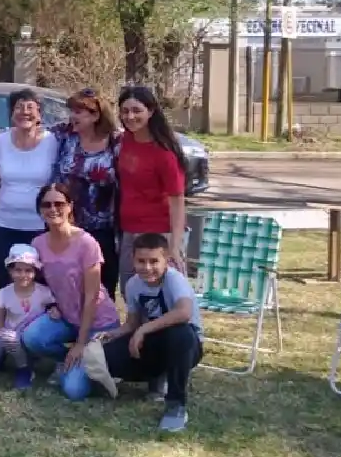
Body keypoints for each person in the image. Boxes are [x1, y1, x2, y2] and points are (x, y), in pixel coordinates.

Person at [95, 232, 204, 433]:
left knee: (179, 334)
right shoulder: (133, 284)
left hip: (186, 345)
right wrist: (114, 334)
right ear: (132, 260)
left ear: (167, 260)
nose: (147, 267)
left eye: (154, 261)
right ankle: (155, 377)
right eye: (141, 261)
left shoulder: (174, 279)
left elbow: (184, 313)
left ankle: (176, 406)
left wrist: (143, 330)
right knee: (107, 354)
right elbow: (132, 323)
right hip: (153, 341)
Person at [20, 182, 121, 400]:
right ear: (40, 210)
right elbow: (39, 283)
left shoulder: (87, 243)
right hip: (67, 317)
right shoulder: (37, 243)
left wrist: (81, 342)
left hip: (98, 322)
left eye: (59, 203)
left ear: (70, 207)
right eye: (46, 204)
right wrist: (51, 305)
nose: (53, 209)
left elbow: (92, 297)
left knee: (74, 391)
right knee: (32, 337)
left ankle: (96, 363)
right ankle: (70, 359)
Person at [115, 86, 186, 298]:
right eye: (125, 110)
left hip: (158, 233)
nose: (130, 116)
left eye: (137, 110)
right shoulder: (125, 141)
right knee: (131, 292)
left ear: (151, 111)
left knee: (159, 297)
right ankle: (136, 331)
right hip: (129, 231)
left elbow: (177, 200)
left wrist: (174, 245)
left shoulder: (164, 153)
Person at [51, 87, 121, 298]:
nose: (73, 116)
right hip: (69, 227)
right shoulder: (65, 136)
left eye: (79, 112)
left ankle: (101, 328)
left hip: (103, 229)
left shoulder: (116, 142)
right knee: (69, 286)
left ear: (96, 115)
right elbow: (31, 131)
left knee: (102, 289)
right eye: (71, 111)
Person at [0, 89, 58, 291]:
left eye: (30, 107)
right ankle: (7, 322)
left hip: (40, 226)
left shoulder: (52, 142)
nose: (24, 112)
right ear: (11, 113)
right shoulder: (1, 141)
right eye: (18, 107)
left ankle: (36, 323)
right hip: (5, 223)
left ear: (39, 114)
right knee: (2, 280)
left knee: (40, 282)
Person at [0, 244, 54, 389]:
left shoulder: (44, 292)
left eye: (28, 270)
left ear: (35, 272)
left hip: (28, 339)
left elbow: (57, 307)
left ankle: (24, 369)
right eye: (18, 270)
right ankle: (3, 357)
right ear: (10, 271)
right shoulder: (5, 293)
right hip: (7, 335)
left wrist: (54, 310)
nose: (23, 275)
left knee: (11, 337)